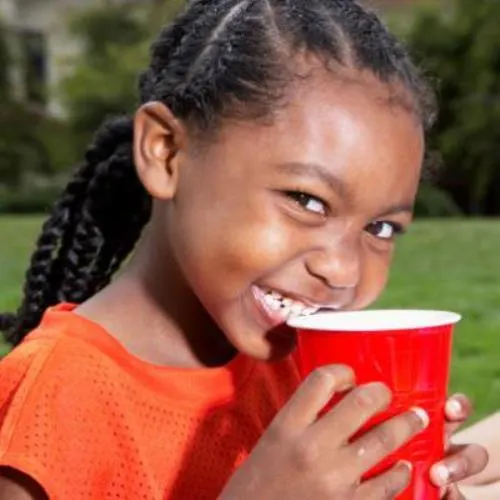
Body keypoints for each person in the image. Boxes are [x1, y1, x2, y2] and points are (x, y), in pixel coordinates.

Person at [0, 0, 488, 498]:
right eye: (306, 200)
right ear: (166, 152)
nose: (342, 270)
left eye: (381, 228)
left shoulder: (303, 375)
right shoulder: (50, 401)